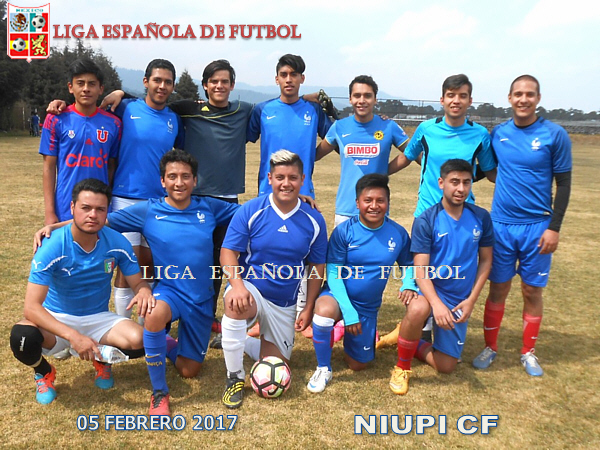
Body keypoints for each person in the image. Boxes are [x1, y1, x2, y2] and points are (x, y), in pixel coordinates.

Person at [107, 149, 240, 415]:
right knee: (154, 313)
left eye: (185, 176)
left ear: (195, 180)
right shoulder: (149, 210)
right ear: (162, 181)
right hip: (169, 292)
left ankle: (164, 342)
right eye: (172, 176)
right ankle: (159, 393)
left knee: (189, 370)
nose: (179, 182)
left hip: (201, 298)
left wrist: (294, 199)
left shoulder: (209, 207)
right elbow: (99, 221)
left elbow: (252, 211)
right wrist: (54, 228)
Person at [11, 178, 151, 405]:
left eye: (100, 209)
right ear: (72, 207)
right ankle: (43, 371)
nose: (92, 215)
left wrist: (143, 290)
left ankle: (102, 360)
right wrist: (73, 336)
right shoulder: (52, 246)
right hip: (56, 318)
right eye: (86, 208)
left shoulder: (117, 242)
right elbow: (31, 307)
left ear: (107, 212)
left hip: (98, 318)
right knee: (22, 337)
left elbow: (138, 283)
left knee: (142, 340)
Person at [381, 74, 496, 344]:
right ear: (442, 99)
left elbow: (490, 171)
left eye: (462, 96)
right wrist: (376, 174)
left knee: (450, 273)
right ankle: (415, 330)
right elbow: (406, 158)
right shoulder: (426, 129)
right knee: (418, 276)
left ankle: (439, 326)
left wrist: (522, 182)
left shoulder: (479, 134)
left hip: (462, 216)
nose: (456, 101)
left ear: (470, 100)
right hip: (427, 213)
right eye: (451, 95)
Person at [472, 75, 572, 377]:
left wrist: (554, 227)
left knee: (531, 291)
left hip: (537, 227)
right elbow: (485, 168)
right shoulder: (499, 133)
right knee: (498, 288)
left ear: (538, 98)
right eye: (518, 94)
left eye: (529, 94)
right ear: (510, 98)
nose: (523, 99)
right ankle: (490, 347)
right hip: (501, 226)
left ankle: (528, 352)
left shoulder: (555, 135)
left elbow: (564, 184)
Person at [219, 150, 327, 408]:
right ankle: (234, 376)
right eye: (280, 177)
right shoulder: (252, 210)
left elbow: (316, 266)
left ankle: (241, 342)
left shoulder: (314, 219)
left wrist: (308, 307)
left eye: (292, 178)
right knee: (235, 304)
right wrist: (237, 286)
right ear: (269, 178)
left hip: (284, 301)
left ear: (302, 179)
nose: (286, 183)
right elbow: (228, 252)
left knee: (278, 364)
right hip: (251, 289)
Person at [389, 159, 494, 395]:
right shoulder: (427, 219)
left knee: (446, 366)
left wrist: (471, 300)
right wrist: (436, 304)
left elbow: (486, 260)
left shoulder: (481, 217)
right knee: (418, 309)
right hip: (429, 291)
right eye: (454, 182)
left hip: (459, 298)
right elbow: (420, 269)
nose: (461, 189)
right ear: (441, 183)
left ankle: (406, 337)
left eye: (466, 182)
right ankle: (402, 366)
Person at [307, 174, 414, 393]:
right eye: (368, 200)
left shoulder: (398, 233)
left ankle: (346, 331)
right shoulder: (344, 232)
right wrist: (349, 312)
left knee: (358, 365)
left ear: (388, 203)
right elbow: (334, 273)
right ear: (357, 203)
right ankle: (323, 368)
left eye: (380, 200)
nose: (374, 206)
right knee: (324, 311)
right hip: (338, 298)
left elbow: (409, 265)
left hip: (367, 306)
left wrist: (409, 284)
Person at [316, 75, 409, 226]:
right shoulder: (339, 127)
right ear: (350, 99)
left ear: (375, 99)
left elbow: (411, 153)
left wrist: (384, 171)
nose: (362, 100)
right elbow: (315, 155)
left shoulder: (388, 126)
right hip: (346, 210)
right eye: (357, 95)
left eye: (367, 96)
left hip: (376, 208)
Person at [40, 58, 121, 226]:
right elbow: (48, 167)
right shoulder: (55, 119)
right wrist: (49, 212)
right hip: (65, 205)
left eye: (92, 84)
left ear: (101, 89)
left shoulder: (114, 123)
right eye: (80, 83)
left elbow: (111, 166)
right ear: (71, 87)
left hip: (99, 207)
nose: (86, 89)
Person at [247, 54, 332, 199]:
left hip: (303, 192)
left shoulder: (314, 110)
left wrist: (314, 155)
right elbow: (242, 139)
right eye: (283, 75)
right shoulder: (262, 110)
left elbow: (334, 138)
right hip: (268, 191)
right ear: (277, 79)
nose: (288, 79)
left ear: (302, 78)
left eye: (294, 74)